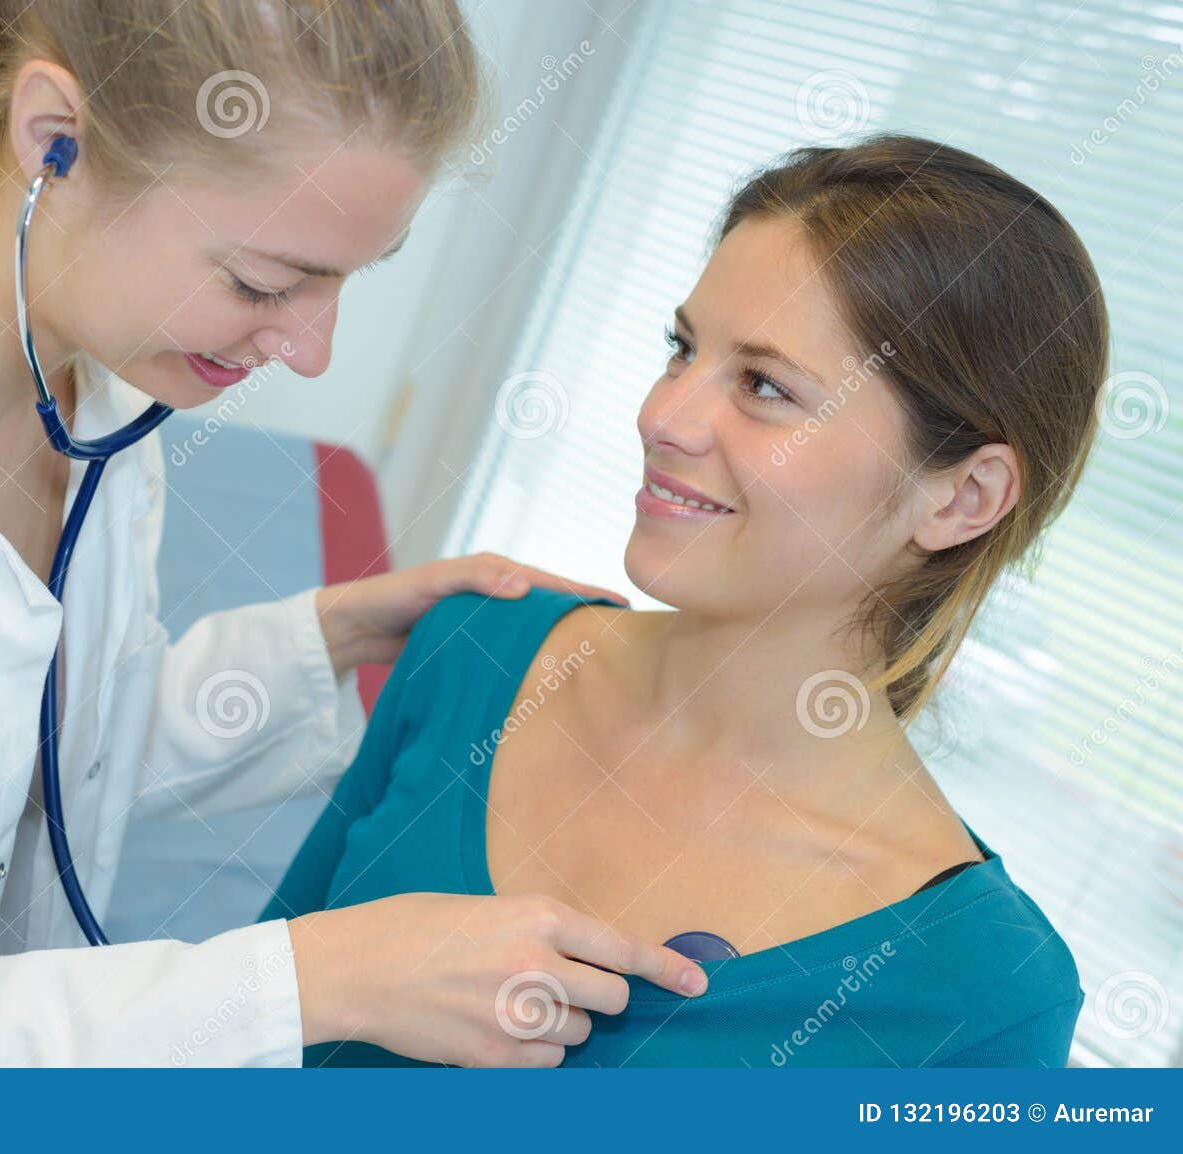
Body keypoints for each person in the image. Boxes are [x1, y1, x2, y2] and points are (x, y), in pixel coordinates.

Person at [0, 0, 710, 1068]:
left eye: (347, 282)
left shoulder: (102, 402)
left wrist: (327, 637)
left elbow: (26, 767)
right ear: (54, 141)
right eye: (264, 278)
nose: (308, 349)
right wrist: (310, 981)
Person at [265, 135, 1102, 1067]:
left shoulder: (982, 992)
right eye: (682, 349)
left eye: (764, 386)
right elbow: (238, 1042)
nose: (661, 418)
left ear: (962, 498)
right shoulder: (476, 649)